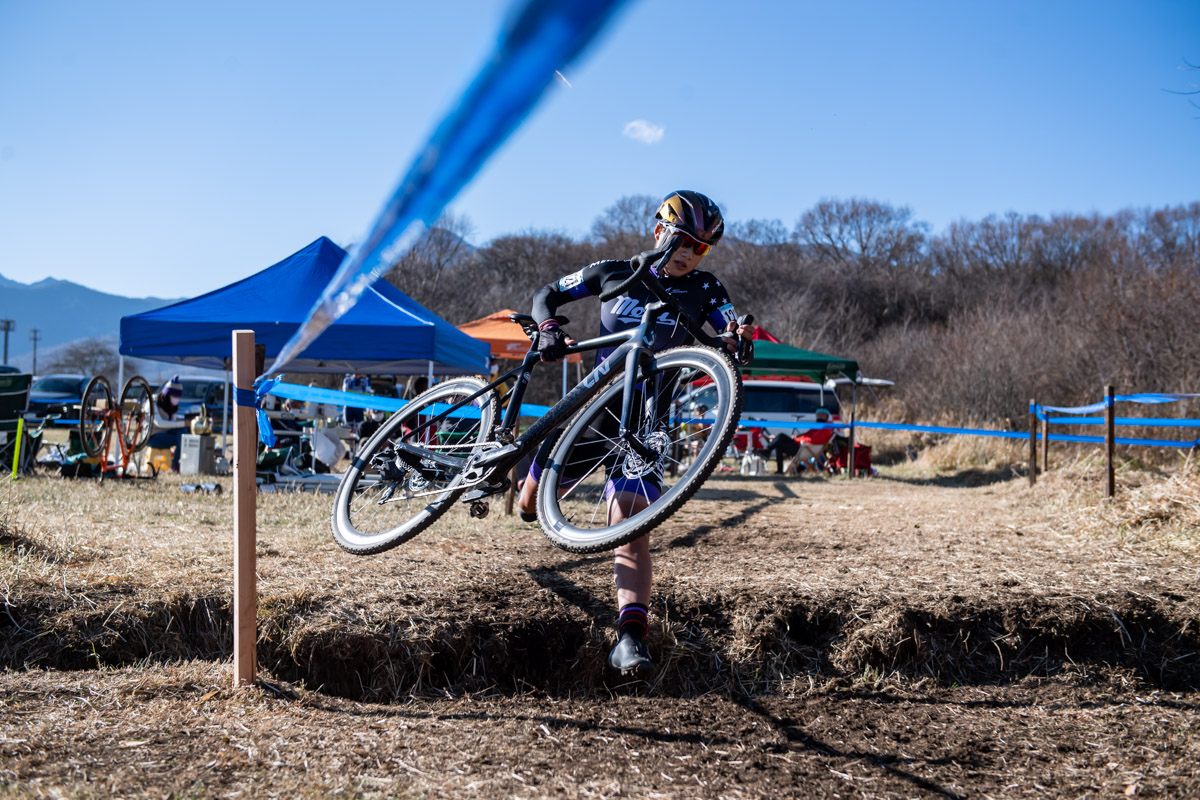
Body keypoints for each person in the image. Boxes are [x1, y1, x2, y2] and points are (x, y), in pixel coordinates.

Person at [517, 190, 752, 678]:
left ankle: (630, 639)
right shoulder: (614, 271)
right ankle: (517, 476)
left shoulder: (705, 289)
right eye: (684, 240)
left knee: (631, 526)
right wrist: (546, 329)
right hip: (593, 416)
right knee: (527, 506)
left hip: (646, 423)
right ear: (658, 230)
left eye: (702, 247)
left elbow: (731, 335)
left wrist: (738, 341)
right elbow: (548, 294)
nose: (690, 252)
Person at [756, 407, 837, 474]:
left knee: (781, 436)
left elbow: (813, 440)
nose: (819, 416)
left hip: (804, 448)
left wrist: (797, 439)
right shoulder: (818, 426)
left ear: (827, 416)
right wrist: (795, 437)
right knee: (779, 442)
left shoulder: (827, 427)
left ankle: (767, 450)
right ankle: (779, 470)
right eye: (818, 414)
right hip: (802, 446)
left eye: (822, 415)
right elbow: (807, 435)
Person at [146, 376, 186, 472]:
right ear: (167, 394)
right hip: (152, 437)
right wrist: (183, 423)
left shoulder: (172, 406)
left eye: (178, 397)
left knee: (184, 432)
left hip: (165, 434)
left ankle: (179, 461)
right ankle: (176, 463)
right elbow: (158, 423)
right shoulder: (152, 402)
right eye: (174, 396)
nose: (176, 399)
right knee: (180, 437)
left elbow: (171, 423)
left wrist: (184, 424)